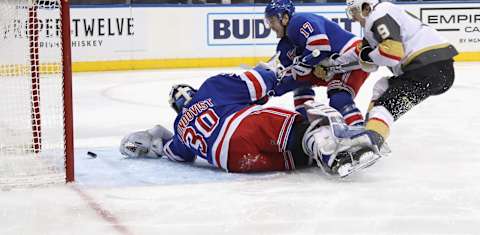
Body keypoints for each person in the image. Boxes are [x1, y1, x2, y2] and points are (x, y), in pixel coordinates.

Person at [119, 66, 380, 177]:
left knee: (296, 157)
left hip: (236, 162)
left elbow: (177, 155)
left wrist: (155, 136)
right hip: (243, 128)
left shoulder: (180, 128)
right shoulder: (211, 87)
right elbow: (260, 82)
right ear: (193, 90)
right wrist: (295, 73)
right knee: (301, 129)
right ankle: (329, 150)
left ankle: (320, 155)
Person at [338, 0, 458, 154]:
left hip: (427, 68)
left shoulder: (378, 15)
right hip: (435, 68)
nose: (353, 18)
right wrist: (332, 64)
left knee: (385, 106)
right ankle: (372, 129)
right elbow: (359, 55)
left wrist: (370, 57)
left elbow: (392, 53)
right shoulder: (379, 21)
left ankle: (370, 141)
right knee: (382, 87)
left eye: (354, 11)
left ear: (366, 7)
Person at [264, 0, 369, 127]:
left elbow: (320, 46)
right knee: (301, 88)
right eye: (268, 21)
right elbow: (299, 79)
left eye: (272, 21)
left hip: (350, 54)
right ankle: (307, 126)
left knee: (339, 96)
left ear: (285, 18)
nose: (270, 26)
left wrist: (306, 63)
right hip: (331, 67)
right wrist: (273, 89)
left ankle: (360, 131)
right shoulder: (284, 47)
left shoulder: (297, 22)